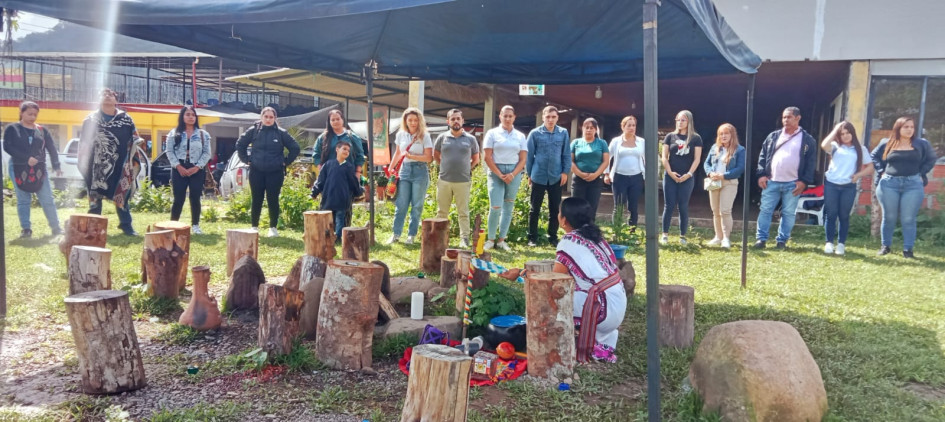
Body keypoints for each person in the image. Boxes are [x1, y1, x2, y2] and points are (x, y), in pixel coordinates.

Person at [499, 198, 626, 363]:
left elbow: (552, 281)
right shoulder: (596, 237)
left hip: (603, 310)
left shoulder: (568, 242)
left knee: (548, 298)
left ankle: (547, 344)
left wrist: (520, 273)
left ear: (564, 220)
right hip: (618, 305)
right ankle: (599, 341)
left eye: (559, 213)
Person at [871, 117, 937, 258]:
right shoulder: (886, 142)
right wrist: (881, 171)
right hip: (889, 184)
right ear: (898, 128)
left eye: (911, 127)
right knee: (889, 217)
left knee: (908, 218)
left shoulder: (921, 144)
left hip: (913, 184)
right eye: (906, 127)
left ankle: (908, 250)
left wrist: (922, 173)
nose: (909, 129)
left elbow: (932, 158)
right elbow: (874, 156)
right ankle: (885, 246)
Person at [78, 88, 141, 236]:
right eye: (103, 95)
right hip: (96, 164)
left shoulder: (126, 119)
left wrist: (135, 148)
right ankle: (94, 227)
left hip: (120, 164)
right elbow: (84, 143)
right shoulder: (90, 119)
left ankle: (126, 226)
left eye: (110, 95)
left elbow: (135, 138)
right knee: (95, 195)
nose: (107, 97)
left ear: (116, 99)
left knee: (121, 195)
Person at [754, 107, 817, 250]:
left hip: (793, 183)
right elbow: (762, 156)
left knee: (788, 213)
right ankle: (761, 240)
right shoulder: (773, 137)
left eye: (789, 117)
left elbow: (811, 163)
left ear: (798, 118)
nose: (785, 120)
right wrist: (761, 174)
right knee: (765, 210)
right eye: (784, 117)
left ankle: (781, 241)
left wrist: (804, 182)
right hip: (772, 181)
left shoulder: (807, 140)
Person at [235, 106, 301, 237]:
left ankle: (273, 228)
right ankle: (254, 226)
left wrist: (285, 162)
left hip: (275, 172)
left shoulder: (281, 133)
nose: (268, 119)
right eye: (266, 117)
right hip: (256, 171)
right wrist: (247, 160)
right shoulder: (253, 131)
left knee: (273, 199)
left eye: (271, 117)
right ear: (261, 117)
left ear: (275, 118)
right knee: (256, 199)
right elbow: (240, 144)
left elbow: (295, 148)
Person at [3, 101, 62, 238]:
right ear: (21, 113)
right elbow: (8, 147)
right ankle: (26, 229)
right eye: (29, 114)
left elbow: (52, 148)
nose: (32, 117)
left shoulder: (42, 130)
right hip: (18, 167)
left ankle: (56, 228)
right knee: (23, 199)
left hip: (39, 169)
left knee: (47, 198)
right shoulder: (12, 129)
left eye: (35, 114)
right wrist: (26, 158)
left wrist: (56, 165)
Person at [820, 121, 873, 256]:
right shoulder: (835, 146)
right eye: (842, 134)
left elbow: (870, 167)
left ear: (852, 133)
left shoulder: (861, 149)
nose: (845, 136)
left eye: (847, 133)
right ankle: (829, 242)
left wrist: (858, 175)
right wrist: (835, 129)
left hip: (848, 186)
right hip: (832, 184)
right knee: (831, 214)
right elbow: (823, 145)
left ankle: (841, 244)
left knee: (844, 215)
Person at [482, 105, 528, 251]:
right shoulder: (492, 133)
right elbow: (487, 157)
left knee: (508, 206)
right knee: (495, 207)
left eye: (510, 116)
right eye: (505, 116)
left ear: (514, 117)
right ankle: (490, 239)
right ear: (500, 116)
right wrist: (499, 173)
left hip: (513, 172)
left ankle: (502, 240)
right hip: (496, 172)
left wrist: (513, 174)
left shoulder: (520, 136)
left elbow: (523, 159)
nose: (507, 118)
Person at [526, 105, 571, 247]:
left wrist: (565, 172)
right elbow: (529, 156)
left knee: (555, 209)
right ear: (543, 117)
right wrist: (529, 174)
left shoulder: (563, 133)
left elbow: (566, 154)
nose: (550, 120)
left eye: (553, 117)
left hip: (556, 176)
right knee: (534, 209)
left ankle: (552, 236)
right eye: (548, 117)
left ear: (557, 117)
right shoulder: (535, 133)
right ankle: (532, 237)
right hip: (538, 176)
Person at [387, 107, 433, 245]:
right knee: (401, 204)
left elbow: (428, 158)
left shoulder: (425, 135)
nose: (413, 123)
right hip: (404, 170)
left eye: (415, 120)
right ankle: (396, 234)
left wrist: (411, 155)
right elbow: (397, 153)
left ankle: (411, 235)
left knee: (417, 205)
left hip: (420, 170)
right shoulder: (401, 134)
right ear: (405, 121)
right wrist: (391, 167)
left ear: (420, 121)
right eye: (410, 120)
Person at [434, 108, 480, 248]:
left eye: (458, 118)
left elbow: (476, 159)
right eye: (453, 119)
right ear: (448, 121)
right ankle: (440, 238)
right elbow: (436, 155)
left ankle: (464, 238)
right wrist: (445, 166)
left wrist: (467, 169)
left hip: (463, 181)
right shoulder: (442, 137)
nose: (456, 121)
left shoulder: (471, 139)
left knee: (463, 212)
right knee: (442, 211)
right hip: (444, 180)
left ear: (462, 121)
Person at [165, 105, 212, 234]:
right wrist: (178, 166)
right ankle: (173, 224)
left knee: (195, 197)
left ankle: (195, 225)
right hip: (179, 168)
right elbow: (169, 151)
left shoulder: (203, 134)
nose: (191, 117)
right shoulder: (174, 133)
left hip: (196, 168)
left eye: (193, 115)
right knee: (178, 198)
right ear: (182, 116)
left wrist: (197, 167)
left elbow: (207, 153)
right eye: (187, 114)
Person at [660, 110, 703, 245]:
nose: (680, 122)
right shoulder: (670, 136)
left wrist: (689, 174)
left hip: (687, 177)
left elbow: (697, 159)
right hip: (670, 176)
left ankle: (682, 236)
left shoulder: (696, 138)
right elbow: (664, 157)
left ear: (689, 121)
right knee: (669, 205)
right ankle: (665, 235)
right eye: (678, 120)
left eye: (683, 120)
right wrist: (670, 173)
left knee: (683, 206)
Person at [702, 123, 745, 249]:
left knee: (725, 210)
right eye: (721, 134)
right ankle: (718, 237)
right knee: (715, 211)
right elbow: (707, 163)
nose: (723, 136)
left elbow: (740, 168)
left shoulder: (740, 150)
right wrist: (710, 172)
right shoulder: (715, 147)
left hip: (729, 182)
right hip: (714, 181)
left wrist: (724, 175)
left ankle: (726, 238)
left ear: (732, 135)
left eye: (726, 133)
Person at [311, 141, 364, 241]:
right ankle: (326, 236)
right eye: (344, 149)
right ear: (337, 149)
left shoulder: (349, 167)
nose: (346, 151)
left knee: (340, 219)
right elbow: (320, 180)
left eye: (348, 150)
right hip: (329, 197)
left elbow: (353, 182)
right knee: (327, 219)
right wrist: (314, 192)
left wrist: (359, 192)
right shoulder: (328, 165)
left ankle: (338, 238)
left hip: (342, 198)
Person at [604, 115, 645, 229]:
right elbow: (607, 157)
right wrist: (606, 174)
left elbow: (647, 159)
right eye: (629, 125)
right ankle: (616, 231)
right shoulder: (616, 141)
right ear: (623, 127)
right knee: (619, 206)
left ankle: (631, 232)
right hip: (619, 177)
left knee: (633, 206)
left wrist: (648, 176)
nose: (632, 128)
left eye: (634, 125)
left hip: (636, 178)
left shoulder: (641, 142)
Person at [570, 118, 610, 217]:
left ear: (596, 130)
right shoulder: (576, 142)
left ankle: (589, 231)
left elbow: (605, 161)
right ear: (582, 128)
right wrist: (581, 174)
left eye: (591, 128)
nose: (589, 130)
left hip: (595, 180)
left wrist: (596, 174)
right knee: (577, 208)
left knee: (591, 208)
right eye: (586, 127)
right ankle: (577, 231)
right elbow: (569, 161)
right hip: (578, 180)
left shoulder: (602, 143)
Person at [312, 109, 365, 175]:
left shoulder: (352, 137)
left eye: (338, 119)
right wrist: (321, 170)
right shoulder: (323, 138)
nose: (335, 122)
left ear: (342, 119)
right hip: (329, 176)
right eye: (333, 120)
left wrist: (357, 172)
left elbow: (360, 156)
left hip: (348, 176)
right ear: (329, 122)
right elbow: (316, 154)